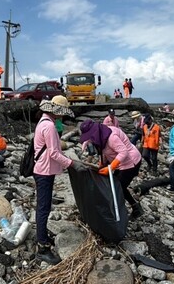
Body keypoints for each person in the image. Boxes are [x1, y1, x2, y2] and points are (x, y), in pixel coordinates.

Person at [33, 95, 85, 265]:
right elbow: (54, 153)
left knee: (44, 206)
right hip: (44, 171)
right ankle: (42, 247)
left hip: (42, 169)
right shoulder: (49, 126)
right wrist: (72, 164)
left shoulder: (44, 122)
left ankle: (41, 236)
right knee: (43, 208)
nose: (62, 116)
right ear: (56, 111)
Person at [79, 119, 143, 219]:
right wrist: (102, 164)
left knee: (118, 187)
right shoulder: (99, 135)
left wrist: (111, 167)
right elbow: (104, 151)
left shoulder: (111, 137)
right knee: (115, 185)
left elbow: (123, 152)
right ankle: (133, 207)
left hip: (131, 162)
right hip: (119, 163)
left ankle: (127, 211)